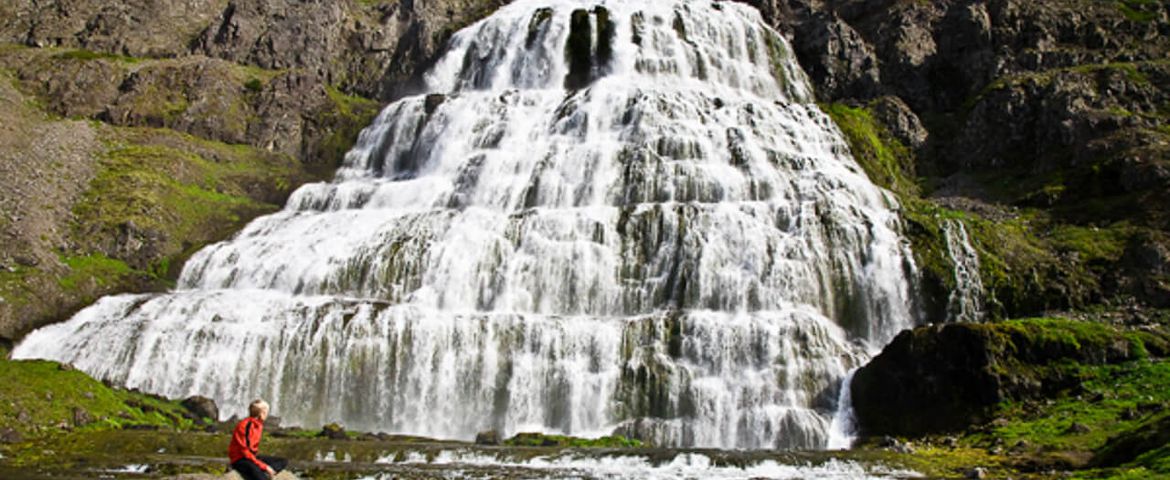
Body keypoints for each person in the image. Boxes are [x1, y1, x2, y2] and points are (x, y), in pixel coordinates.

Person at [228, 399, 288, 480]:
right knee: (259, 475)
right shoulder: (245, 425)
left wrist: (263, 466)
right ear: (262, 413)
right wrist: (264, 466)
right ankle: (262, 473)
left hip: (252, 458)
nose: (267, 414)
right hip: (240, 459)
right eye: (266, 411)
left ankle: (264, 472)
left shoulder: (259, 425)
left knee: (283, 461)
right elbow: (245, 452)